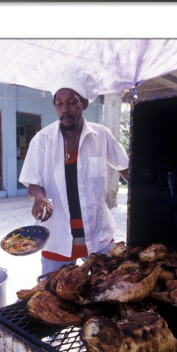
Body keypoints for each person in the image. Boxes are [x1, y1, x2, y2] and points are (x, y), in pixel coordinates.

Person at [19, 68, 129, 275]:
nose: (65, 109)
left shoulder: (102, 136)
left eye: (72, 101)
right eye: (59, 103)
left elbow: (125, 167)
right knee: (53, 296)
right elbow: (33, 182)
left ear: (85, 103)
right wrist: (39, 198)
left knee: (108, 287)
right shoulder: (42, 140)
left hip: (98, 235)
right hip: (58, 238)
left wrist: (147, 191)